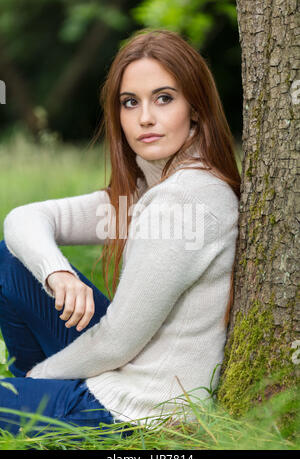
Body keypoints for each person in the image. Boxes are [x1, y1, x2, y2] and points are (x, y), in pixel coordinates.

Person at [0, 28, 241, 436]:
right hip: (121, 372)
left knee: (18, 392)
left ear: (195, 109)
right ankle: (26, 401)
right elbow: (23, 219)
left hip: (137, 411)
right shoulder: (150, 190)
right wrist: (56, 271)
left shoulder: (186, 201)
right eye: (131, 103)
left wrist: (36, 381)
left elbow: (115, 343)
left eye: (164, 98)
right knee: (12, 258)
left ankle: (27, 396)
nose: (145, 117)